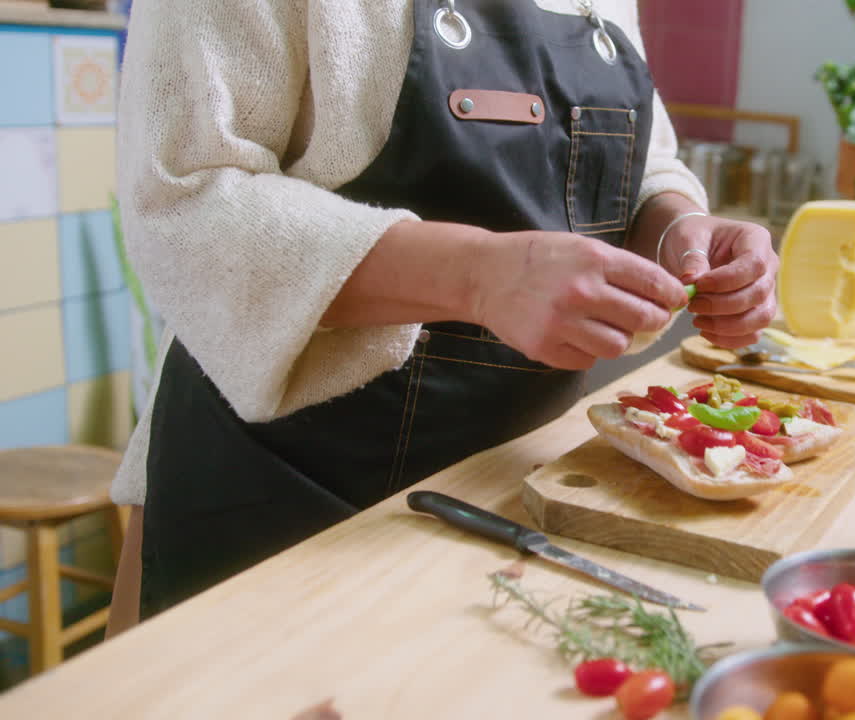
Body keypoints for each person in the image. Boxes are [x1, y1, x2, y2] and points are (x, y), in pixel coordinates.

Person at [105, 0, 779, 631]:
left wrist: (677, 229)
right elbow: (185, 200)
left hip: (515, 489)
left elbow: (643, 164)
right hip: (286, 492)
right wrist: (480, 277)